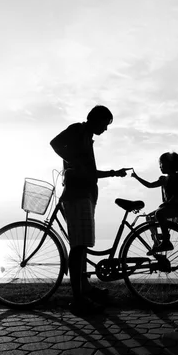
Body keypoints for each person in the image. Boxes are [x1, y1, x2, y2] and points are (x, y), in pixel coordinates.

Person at [50, 105, 128, 316]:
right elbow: (54, 143)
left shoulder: (86, 137)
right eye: (105, 123)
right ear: (96, 119)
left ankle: (85, 289)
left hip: (86, 195)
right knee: (78, 247)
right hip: (76, 195)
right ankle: (79, 300)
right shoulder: (77, 130)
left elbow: (90, 171)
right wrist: (73, 160)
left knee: (82, 246)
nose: (106, 128)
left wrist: (113, 173)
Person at [131, 152, 178, 254]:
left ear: (170, 165)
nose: (160, 167)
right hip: (169, 207)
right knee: (149, 218)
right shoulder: (164, 179)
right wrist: (137, 177)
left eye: (162, 164)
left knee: (159, 213)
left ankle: (166, 241)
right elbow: (149, 185)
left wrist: (167, 204)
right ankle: (157, 242)